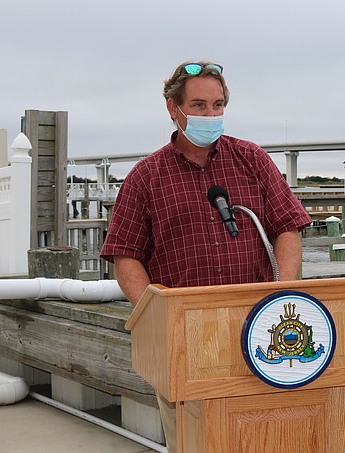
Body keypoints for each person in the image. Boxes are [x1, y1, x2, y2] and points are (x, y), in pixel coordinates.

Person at [100, 60, 312, 450]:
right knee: (195, 441)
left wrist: (286, 293)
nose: (210, 115)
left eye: (218, 106)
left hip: (259, 330)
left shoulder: (252, 159)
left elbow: (287, 227)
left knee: (263, 436)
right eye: (198, 106)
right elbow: (125, 256)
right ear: (172, 108)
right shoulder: (145, 177)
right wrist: (157, 314)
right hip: (186, 338)